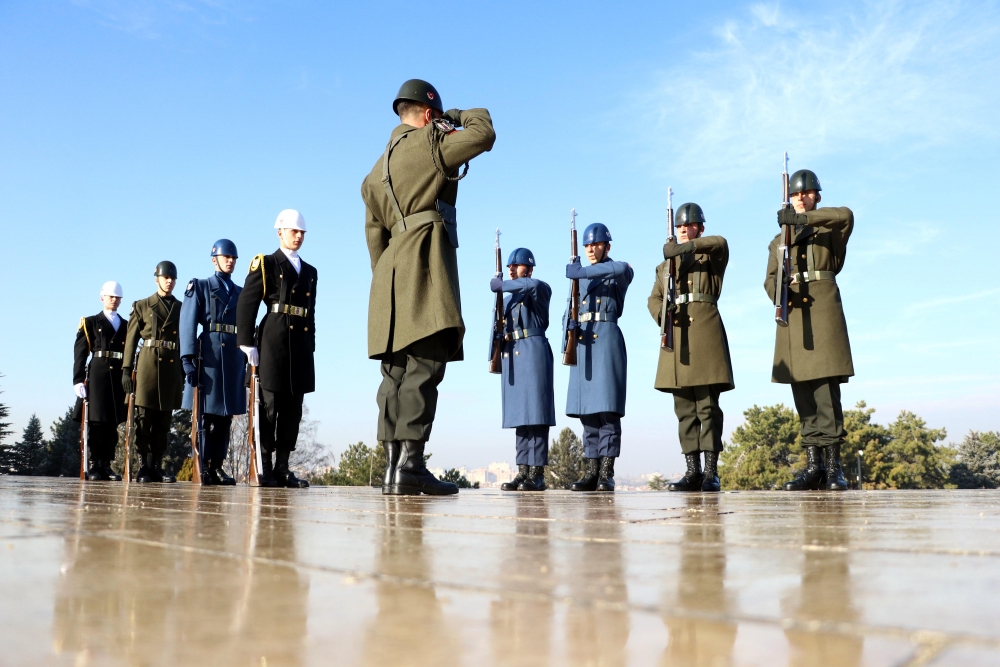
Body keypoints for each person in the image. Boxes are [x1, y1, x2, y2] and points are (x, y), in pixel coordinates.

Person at [361, 78, 496, 495]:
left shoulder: (372, 173)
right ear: (426, 114)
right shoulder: (430, 142)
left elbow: (373, 238)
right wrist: (453, 117)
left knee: (395, 374)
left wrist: (387, 284)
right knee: (424, 365)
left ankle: (391, 468)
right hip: (423, 260)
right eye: (434, 116)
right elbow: (484, 131)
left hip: (389, 273)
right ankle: (412, 467)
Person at [764, 169, 854, 491]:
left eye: (807, 193)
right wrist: (780, 290)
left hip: (822, 310)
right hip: (794, 313)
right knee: (803, 393)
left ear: (817, 196)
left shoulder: (828, 228)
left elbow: (846, 215)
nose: (800, 198)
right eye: (795, 194)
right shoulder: (778, 242)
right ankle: (814, 466)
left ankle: (834, 468)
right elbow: (769, 279)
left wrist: (801, 222)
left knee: (825, 392)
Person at [646, 203, 734, 492]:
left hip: (705, 334)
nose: (683, 229)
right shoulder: (663, 267)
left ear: (700, 227)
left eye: (690, 225)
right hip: (677, 333)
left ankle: (711, 471)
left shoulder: (710, 256)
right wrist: (664, 314)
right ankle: (692, 471)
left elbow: (721, 242)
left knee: (707, 406)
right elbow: (653, 299)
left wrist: (684, 249)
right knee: (684, 408)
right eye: (680, 226)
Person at [236, 210, 316, 489]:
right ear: (279, 232)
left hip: (300, 347)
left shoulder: (310, 272)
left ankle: (283, 467)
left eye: (302, 232)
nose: (298, 236)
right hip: (272, 342)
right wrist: (247, 343)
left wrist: (312, 347)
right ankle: (265, 466)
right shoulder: (266, 264)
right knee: (269, 407)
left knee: (293, 408)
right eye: (293, 231)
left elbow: (310, 313)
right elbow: (247, 303)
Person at [563, 223, 634, 492]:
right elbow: (568, 307)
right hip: (582, 343)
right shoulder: (579, 278)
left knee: (607, 412)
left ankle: (606, 472)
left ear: (607, 246)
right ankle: (591, 471)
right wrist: (566, 332)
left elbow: (623, 268)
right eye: (587, 245)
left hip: (605, 340)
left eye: (596, 244)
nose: (591, 249)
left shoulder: (617, 272)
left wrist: (581, 271)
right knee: (587, 415)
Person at [180, 239, 246, 485]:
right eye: (225, 257)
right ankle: (204, 465)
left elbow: (246, 327)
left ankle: (217, 466)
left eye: (233, 258)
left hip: (232, 358)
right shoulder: (201, 286)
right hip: (209, 357)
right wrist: (187, 361)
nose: (230, 261)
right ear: (214, 260)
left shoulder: (240, 292)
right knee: (206, 417)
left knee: (225, 417)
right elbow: (187, 325)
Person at [490, 248, 555, 491]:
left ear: (528, 268)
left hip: (533, 353)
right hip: (513, 355)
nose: (511, 269)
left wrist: (502, 285)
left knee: (536, 416)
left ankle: (537, 474)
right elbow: (497, 324)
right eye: (509, 266)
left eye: (515, 265)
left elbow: (531, 286)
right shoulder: (506, 299)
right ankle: (523, 471)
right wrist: (494, 352)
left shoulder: (539, 288)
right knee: (520, 418)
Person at [122, 261, 183, 483]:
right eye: (166, 277)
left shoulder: (180, 307)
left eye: (173, 278)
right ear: (156, 279)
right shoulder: (143, 305)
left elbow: (184, 339)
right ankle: (143, 466)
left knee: (164, 421)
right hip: (148, 365)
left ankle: (158, 466)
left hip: (171, 367)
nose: (169, 282)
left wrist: (185, 370)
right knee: (144, 419)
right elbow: (131, 340)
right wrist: (126, 369)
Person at [73, 281, 129, 481]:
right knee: (96, 422)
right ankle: (95, 464)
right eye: (111, 296)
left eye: (117, 297)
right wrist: (78, 380)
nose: (114, 300)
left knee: (113, 423)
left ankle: (106, 464)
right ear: (102, 298)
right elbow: (80, 353)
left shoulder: (126, 325)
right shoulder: (90, 322)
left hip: (117, 376)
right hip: (98, 374)